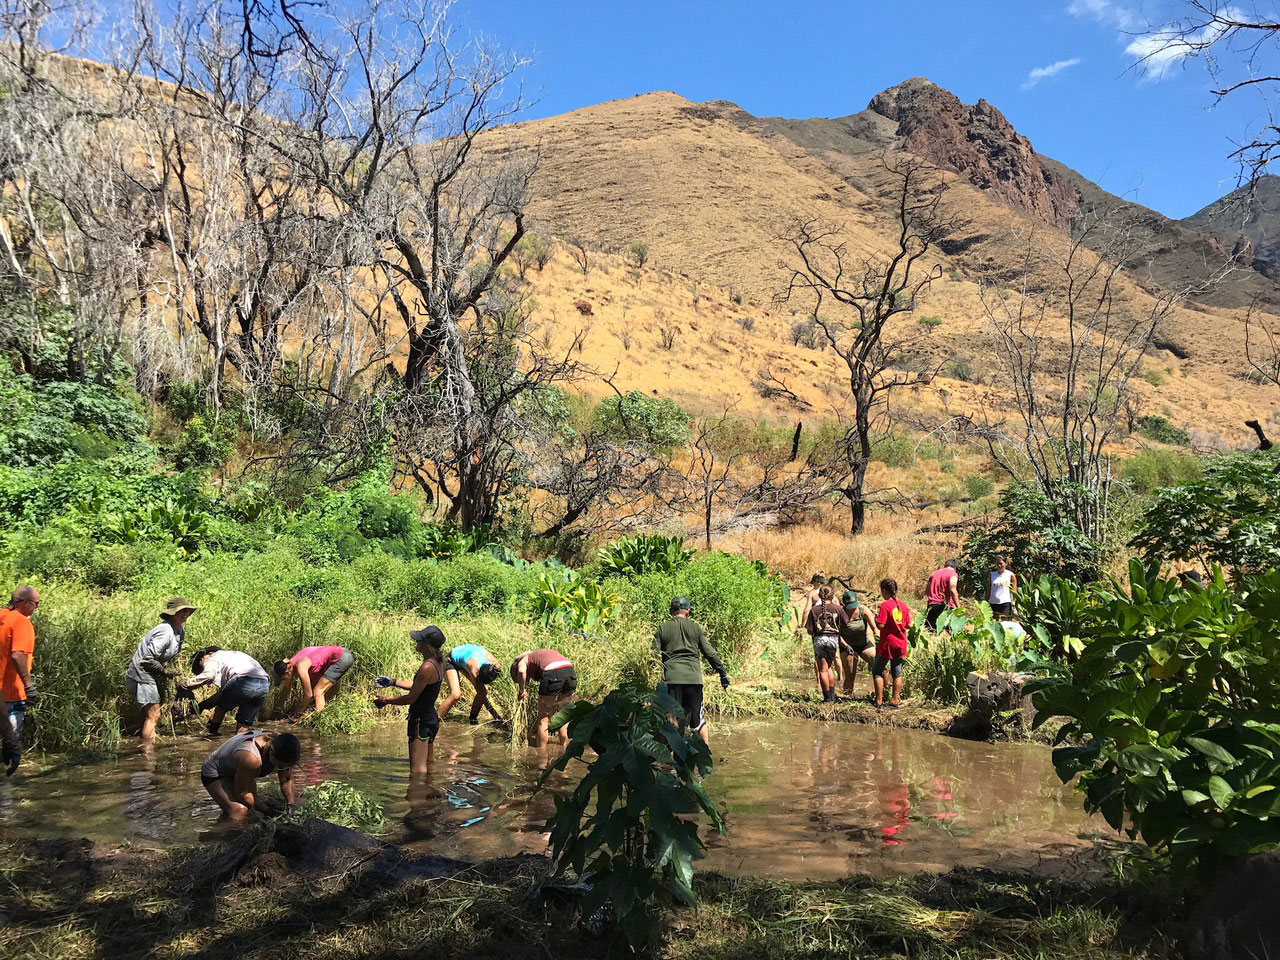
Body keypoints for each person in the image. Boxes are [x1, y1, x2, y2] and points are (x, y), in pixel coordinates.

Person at [653, 597, 731, 745]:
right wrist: (723, 673)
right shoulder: (696, 628)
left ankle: (671, 764)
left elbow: (652, 655)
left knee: (672, 720)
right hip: (693, 680)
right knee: (698, 720)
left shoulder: (662, 628)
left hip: (672, 680)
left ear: (672, 611)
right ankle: (705, 756)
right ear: (688, 612)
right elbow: (710, 653)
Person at [374, 627, 446, 775]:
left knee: (417, 771)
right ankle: (431, 796)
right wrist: (393, 681)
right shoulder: (439, 663)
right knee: (428, 764)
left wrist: (385, 700)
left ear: (425, 645)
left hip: (420, 720)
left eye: (419, 640)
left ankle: (417, 797)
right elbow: (419, 687)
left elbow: (411, 698)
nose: (416, 642)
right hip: (431, 718)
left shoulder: (426, 667)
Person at [127, 597, 197, 741]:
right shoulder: (165, 631)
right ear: (172, 613)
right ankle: (148, 753)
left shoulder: (180, 630)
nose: (185, 614)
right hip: (141, 672)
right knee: (154, 714)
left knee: (149, 713)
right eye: (181, 611)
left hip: (150, 673)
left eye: (187, 611)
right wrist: (162, 670)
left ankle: (146, 741)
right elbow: (147, 658)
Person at [200, 730, 300, 821]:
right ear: (272, 753)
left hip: (239, 768)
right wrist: (268, 812)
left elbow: (286, 779)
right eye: (279, 765)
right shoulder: (251, 759)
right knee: (240, 811)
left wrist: (290, 807)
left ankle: (226, 810)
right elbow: (242, 794)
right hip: (216, 772)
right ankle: (216, 836)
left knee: (255, 808)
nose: (281, 769)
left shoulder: (283, 747)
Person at [180, 647, 272, 736]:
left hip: (242, 680)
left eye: (201, 666)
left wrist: (185, 685)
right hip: (263, 684)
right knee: (243, 726)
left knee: (220, 709)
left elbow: (208, 675)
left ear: (206, 655)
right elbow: (222, 694)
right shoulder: (232, 656)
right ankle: (240, 746)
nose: (203, 667)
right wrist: (202, 706)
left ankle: (210, 734)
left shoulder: (212, 657)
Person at [510, 648, 577, 748]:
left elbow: (521, 671)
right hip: (570, 671)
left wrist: (522, 690)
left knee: (543, 719)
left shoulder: (523, 660)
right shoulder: (542, 654)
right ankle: (564, 748)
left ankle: (541, 754)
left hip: (552, 673)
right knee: (563, 716)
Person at [0, 586, 40, 743]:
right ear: (24, 602)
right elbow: (17, 654)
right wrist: (29, 687)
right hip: (11, 694)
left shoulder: (2, 616)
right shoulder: (22, 622)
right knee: (10, 743)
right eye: (35, 603)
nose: (36, 607)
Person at [272, 644, 356, 716]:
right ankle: (317, 713)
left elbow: (308, 695)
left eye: (283, 679)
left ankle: (320, 721)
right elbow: (286, 690)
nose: (283, 681)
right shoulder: (292, 662)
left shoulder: (301, 667)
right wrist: (276, 711)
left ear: (287, 673)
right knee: (316, 688)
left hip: (342, 658)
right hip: (342, 653)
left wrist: (298, 713)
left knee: (318, 691)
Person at [433, 642, 504, 725]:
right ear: (478, 673)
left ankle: (473, 719)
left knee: (485, 690)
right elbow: (481, 694)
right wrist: (496, 716)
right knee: (455, 695)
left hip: (465, 656)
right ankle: (433, 722)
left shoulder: (495, 665)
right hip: (450, 660)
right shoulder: (474, 668)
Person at [805, 584, 848, 703]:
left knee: (822, 670)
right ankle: (832, 696)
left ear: (819, 595)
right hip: (833, 640)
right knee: (829, 667)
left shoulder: (814, 610)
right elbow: (846, 623)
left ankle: (827, 698)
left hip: (819, 640)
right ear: (833, 595)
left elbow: (809, 630)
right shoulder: (838, 609)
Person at [874, 579, 912, 708]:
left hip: (889, 643)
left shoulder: (886, 605)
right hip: (901, 642)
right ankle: (895, 700)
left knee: (877, 670)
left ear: (884, 591)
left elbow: (881, 625)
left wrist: (875, 619)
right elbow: (909, 625)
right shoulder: (903, 605)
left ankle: (879, 701)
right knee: (897, 672)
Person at [838, 590, 878, 697]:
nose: (853, 608)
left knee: (879, 665)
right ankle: (847, 697)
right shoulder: (840, 614)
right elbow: (837, 634)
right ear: (844, 604)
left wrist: (879, 641)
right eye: (850, 606)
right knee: (850, 675)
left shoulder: (863, 610)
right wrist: (846, 646)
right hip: (846, 645)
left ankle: (882, 693)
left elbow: (875, 628)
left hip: (863, 644)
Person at [925, 561, 961, 631]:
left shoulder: (934, 573)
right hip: (946, 607)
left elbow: (927, 590)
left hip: (932, 605)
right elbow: (953, 590)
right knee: (953, 632)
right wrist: (958, 607)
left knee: (931, 631)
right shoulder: (953, 574)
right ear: (955, 568)